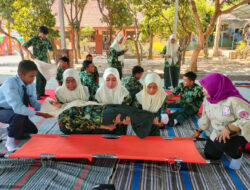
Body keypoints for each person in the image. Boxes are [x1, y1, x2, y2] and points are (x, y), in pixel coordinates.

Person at [191, 73, 250, 170]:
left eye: (205, 88)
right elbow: (206, 117)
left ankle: (237, 155)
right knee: (210, 154)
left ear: (215, 87)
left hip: (240, 132)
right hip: (219, 131)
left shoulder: (234, 101)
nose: (202, 91)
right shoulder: (208, 99)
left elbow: (248, 119)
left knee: (221, 144)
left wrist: (229, 128)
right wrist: (198, 131)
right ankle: (228, 147)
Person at [0, 60, 52, 152]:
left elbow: (33, 102)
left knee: (32, 131)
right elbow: (18, 108)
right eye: (31, 76)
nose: (33, 79)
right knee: (18, 115)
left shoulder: (30, 84)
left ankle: (5, 131)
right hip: (3, 110)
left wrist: (48, 109)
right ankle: (10, 143)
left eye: (34, 76)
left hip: (16, 111)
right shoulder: (11, 84)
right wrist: (39, 114)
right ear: (21, 75)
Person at [58, 104, 170, 138]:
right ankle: (159, 119)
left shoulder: (69, 120)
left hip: (105, 116)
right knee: (132, 113)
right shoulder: (69, 111)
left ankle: (158, 119)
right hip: (107, 110)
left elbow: (89, 123)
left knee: (132, 115)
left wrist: (107, 127)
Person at [23, 26, 54, 100]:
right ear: (39, 32)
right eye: (43, 34)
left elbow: (51, 48)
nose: (44, 36)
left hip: (45, 61)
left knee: (44, 77)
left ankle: (42, 92)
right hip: (37, 61)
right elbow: (24, 46)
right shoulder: (34, 39)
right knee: (39, 77)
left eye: (46, 34)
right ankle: (38, 94)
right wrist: (30, 53)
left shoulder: (47, 40)